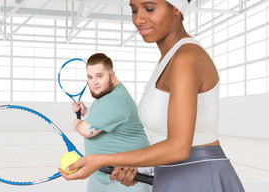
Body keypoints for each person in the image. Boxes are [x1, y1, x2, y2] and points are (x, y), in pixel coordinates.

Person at [59, 0, 245, 191]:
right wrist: (143, 169)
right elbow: (162, 140)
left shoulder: (186, 58)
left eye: (149, 8)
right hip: (172, 176)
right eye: (133, 10)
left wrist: (101, 160)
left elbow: (178, 147)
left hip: (199, 178)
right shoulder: (167, 60)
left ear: (176, 9)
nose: (138, 19)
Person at [69, 53, 151, 192]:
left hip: (127, 179)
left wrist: (77, 122)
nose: (94, 82)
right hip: (101, 175)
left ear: (112, 75)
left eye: (99, 76)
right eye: (90, 77)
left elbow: (86, 131)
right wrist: (87, 112)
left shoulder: (115, 99)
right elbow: (108, 121)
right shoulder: (106, 94)